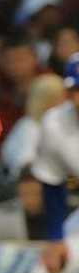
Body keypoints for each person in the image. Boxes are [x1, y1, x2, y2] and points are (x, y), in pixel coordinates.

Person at [31, 53, 79, 240]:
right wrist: (56, 238)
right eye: (75, 90)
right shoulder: (55, 122)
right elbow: (52, 183)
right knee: (48, 268)